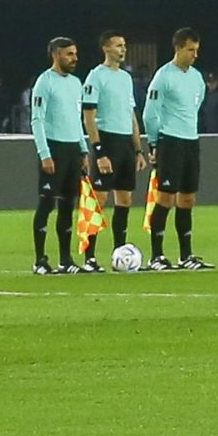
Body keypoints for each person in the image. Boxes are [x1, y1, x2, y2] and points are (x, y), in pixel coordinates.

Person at [143, 28, 210, 270]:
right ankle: (157, 256)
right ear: (178, 48)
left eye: (197, 50)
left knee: (188, 198)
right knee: (166, 197)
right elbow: (150, 113)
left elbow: (196, 105)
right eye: (190, 50)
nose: (194, 55)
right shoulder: (163, 76)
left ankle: (186, 255)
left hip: (191, 141)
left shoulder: (197, 78)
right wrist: (154, 143)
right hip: (170, 141)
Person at [29, 37, 89, 274]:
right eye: (69, 54)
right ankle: (40, 260)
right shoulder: (45, 82)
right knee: (46, 204)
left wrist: (83, 149)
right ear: (56, 55)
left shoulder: (76, 83)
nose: (74, 58)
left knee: (67, 206)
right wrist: (44, 153)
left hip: (72, 149)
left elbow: (76, 119)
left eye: (75, 54)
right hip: (53, 149)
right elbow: (37, 119)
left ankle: (66, 260)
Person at [82, 33, 140, 269]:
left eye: (124, 45)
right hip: (107, 141)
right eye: (118, 45)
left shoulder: (126, 78)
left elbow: (131, 114)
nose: (123, 49)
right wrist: (99, 150)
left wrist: (138, 149)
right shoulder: (96, 76)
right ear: (105, 48)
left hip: (126, 143)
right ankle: (90, 257)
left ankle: (121, 252)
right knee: (99, 199)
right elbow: (89, 116)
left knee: (125, 199)